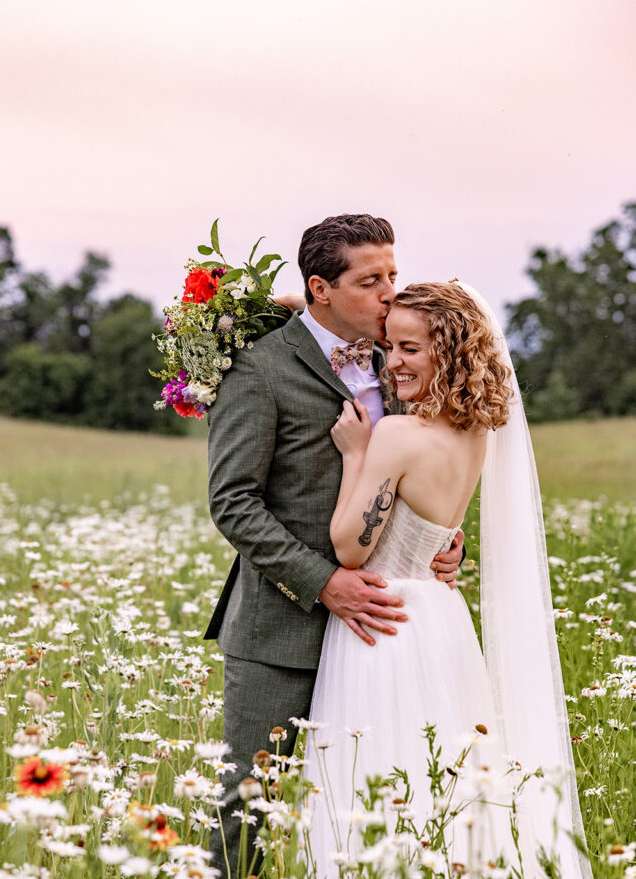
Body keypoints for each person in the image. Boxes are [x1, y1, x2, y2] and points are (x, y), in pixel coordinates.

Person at [204, 216, 464, 877]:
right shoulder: (258, 370)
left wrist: (443, 543)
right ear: (319, 287)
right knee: (249, 812)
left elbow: (417, 474)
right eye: (370, 280)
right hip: (280, 635)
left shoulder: (396, 361)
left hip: (384, 638)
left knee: (379, 806)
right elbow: (233, 501)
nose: (387, 294)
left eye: (392, 277)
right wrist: (323, 580)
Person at [306, 282, 591, 878]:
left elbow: (349, 550)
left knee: (378, 779)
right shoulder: (477, 433)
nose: (394, 362)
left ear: (450, 351)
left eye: (410, 348)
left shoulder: (395, 436)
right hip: (440, 619)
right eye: (389, 346)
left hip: (381, 621)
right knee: (447, 783)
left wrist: (356, 454)